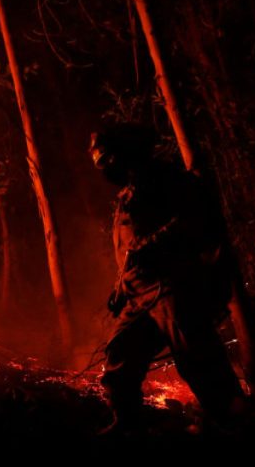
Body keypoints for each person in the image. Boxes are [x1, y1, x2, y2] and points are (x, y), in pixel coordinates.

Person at [90, 124, 245, 434]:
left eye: (106, 158)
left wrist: (151, 248)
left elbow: (194, 222)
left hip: (175, 288)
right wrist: (121, 287)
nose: (103, 167)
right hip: (141, 295)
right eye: (98, 162)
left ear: (124, 152)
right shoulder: (128, 195)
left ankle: (238, 425)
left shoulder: (166, 179)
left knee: (199, 360)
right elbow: (132, 252)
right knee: (120, 353)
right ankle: (127, 423)